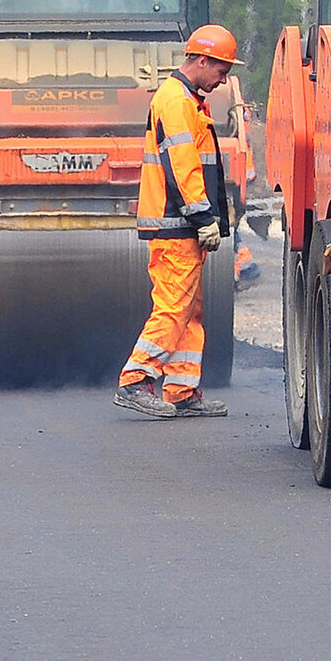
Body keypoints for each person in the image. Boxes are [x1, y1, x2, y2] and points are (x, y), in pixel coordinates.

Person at [114, 24, 240, 420]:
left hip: (179, 224)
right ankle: (135, 380)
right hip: (175, 225)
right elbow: (183, 166)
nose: (224, 80)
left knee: (189, 309)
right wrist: (202, 216)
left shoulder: (187, 99)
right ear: (201, 61)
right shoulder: (175, 101)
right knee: (172, 306)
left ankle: (181, 390)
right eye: (221, 71)